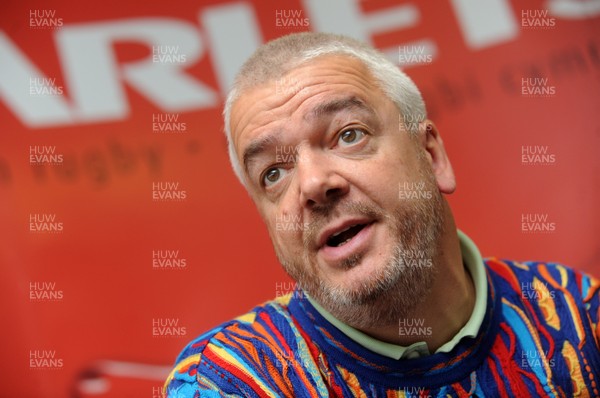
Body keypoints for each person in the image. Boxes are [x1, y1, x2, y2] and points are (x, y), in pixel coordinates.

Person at [164, 32, 600, 397]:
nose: (313, 184)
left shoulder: (580, 319)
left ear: (431, 156)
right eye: (273, 173)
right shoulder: (226, 382)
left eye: (348, 135)